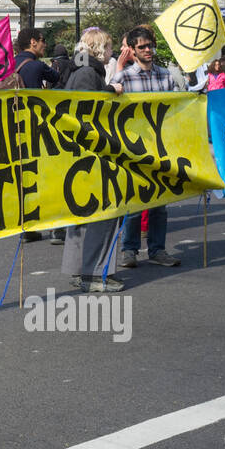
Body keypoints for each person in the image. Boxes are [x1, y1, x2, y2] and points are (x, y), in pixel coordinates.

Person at [59, 28, 127, 292]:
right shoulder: (89, 72)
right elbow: (88, 113)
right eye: (109, 48)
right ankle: (94, 273)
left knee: (83, 216)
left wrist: (107, 88)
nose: (111, 53)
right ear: (100, 49)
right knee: (104, 214)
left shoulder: (79, 70)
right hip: (92, 156)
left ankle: (80, 271)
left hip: (79, 157)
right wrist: (110, 92)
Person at [109, 26, 181, 268]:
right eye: (142, 47)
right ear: (132, 50)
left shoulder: (166, 76)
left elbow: (178, 109)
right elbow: (110, 113)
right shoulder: (123, 77)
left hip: (161, 150)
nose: (148, 50)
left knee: (159, 204)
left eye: (150, 45)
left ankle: (157, 250)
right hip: (133, 150)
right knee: (134, 204)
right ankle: (129, 250)